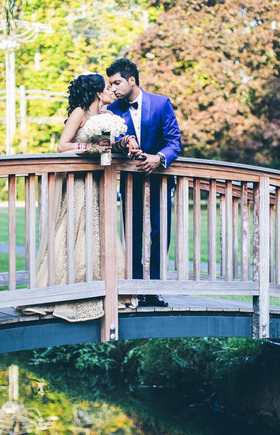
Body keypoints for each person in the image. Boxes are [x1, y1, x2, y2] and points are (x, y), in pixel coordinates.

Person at [18, 73, 138, 321]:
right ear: (97, 93)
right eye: (106, 87)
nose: (110, 91)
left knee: (100, 232)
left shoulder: (106, 117)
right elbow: (62, 145)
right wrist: (91, 148)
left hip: (99, 183)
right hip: (78, 184)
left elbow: (109, 146)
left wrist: (122, 142)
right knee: (74, 231)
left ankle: (106, 290)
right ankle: (65, 290)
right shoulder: (80, 112)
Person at [106, 58, 182, 307]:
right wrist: (123, 146)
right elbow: (110, 143)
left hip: (160, 182)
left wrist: (158, 159)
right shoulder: (113, 110)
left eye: (117, 82)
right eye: (110, 84)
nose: (113, 88)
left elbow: (174, 143)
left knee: (160, 234)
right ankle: (137, 289)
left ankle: (155, 290)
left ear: (132, 80)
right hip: (130, 181)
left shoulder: (161, 104)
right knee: (134, 234)